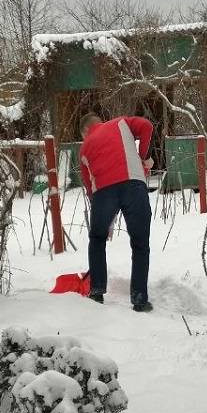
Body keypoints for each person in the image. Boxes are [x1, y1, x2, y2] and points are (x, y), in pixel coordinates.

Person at [78, 112, 155, 312]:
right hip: (134, 186)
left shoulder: (85, 148)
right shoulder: (121, 123)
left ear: (86, 131)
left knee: (97, 239)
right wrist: (142, 158)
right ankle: (139, 299)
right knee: (140, 243)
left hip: (103, 193)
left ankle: (96, 292)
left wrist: (105, 220)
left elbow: (89, 187)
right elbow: (146, 126)